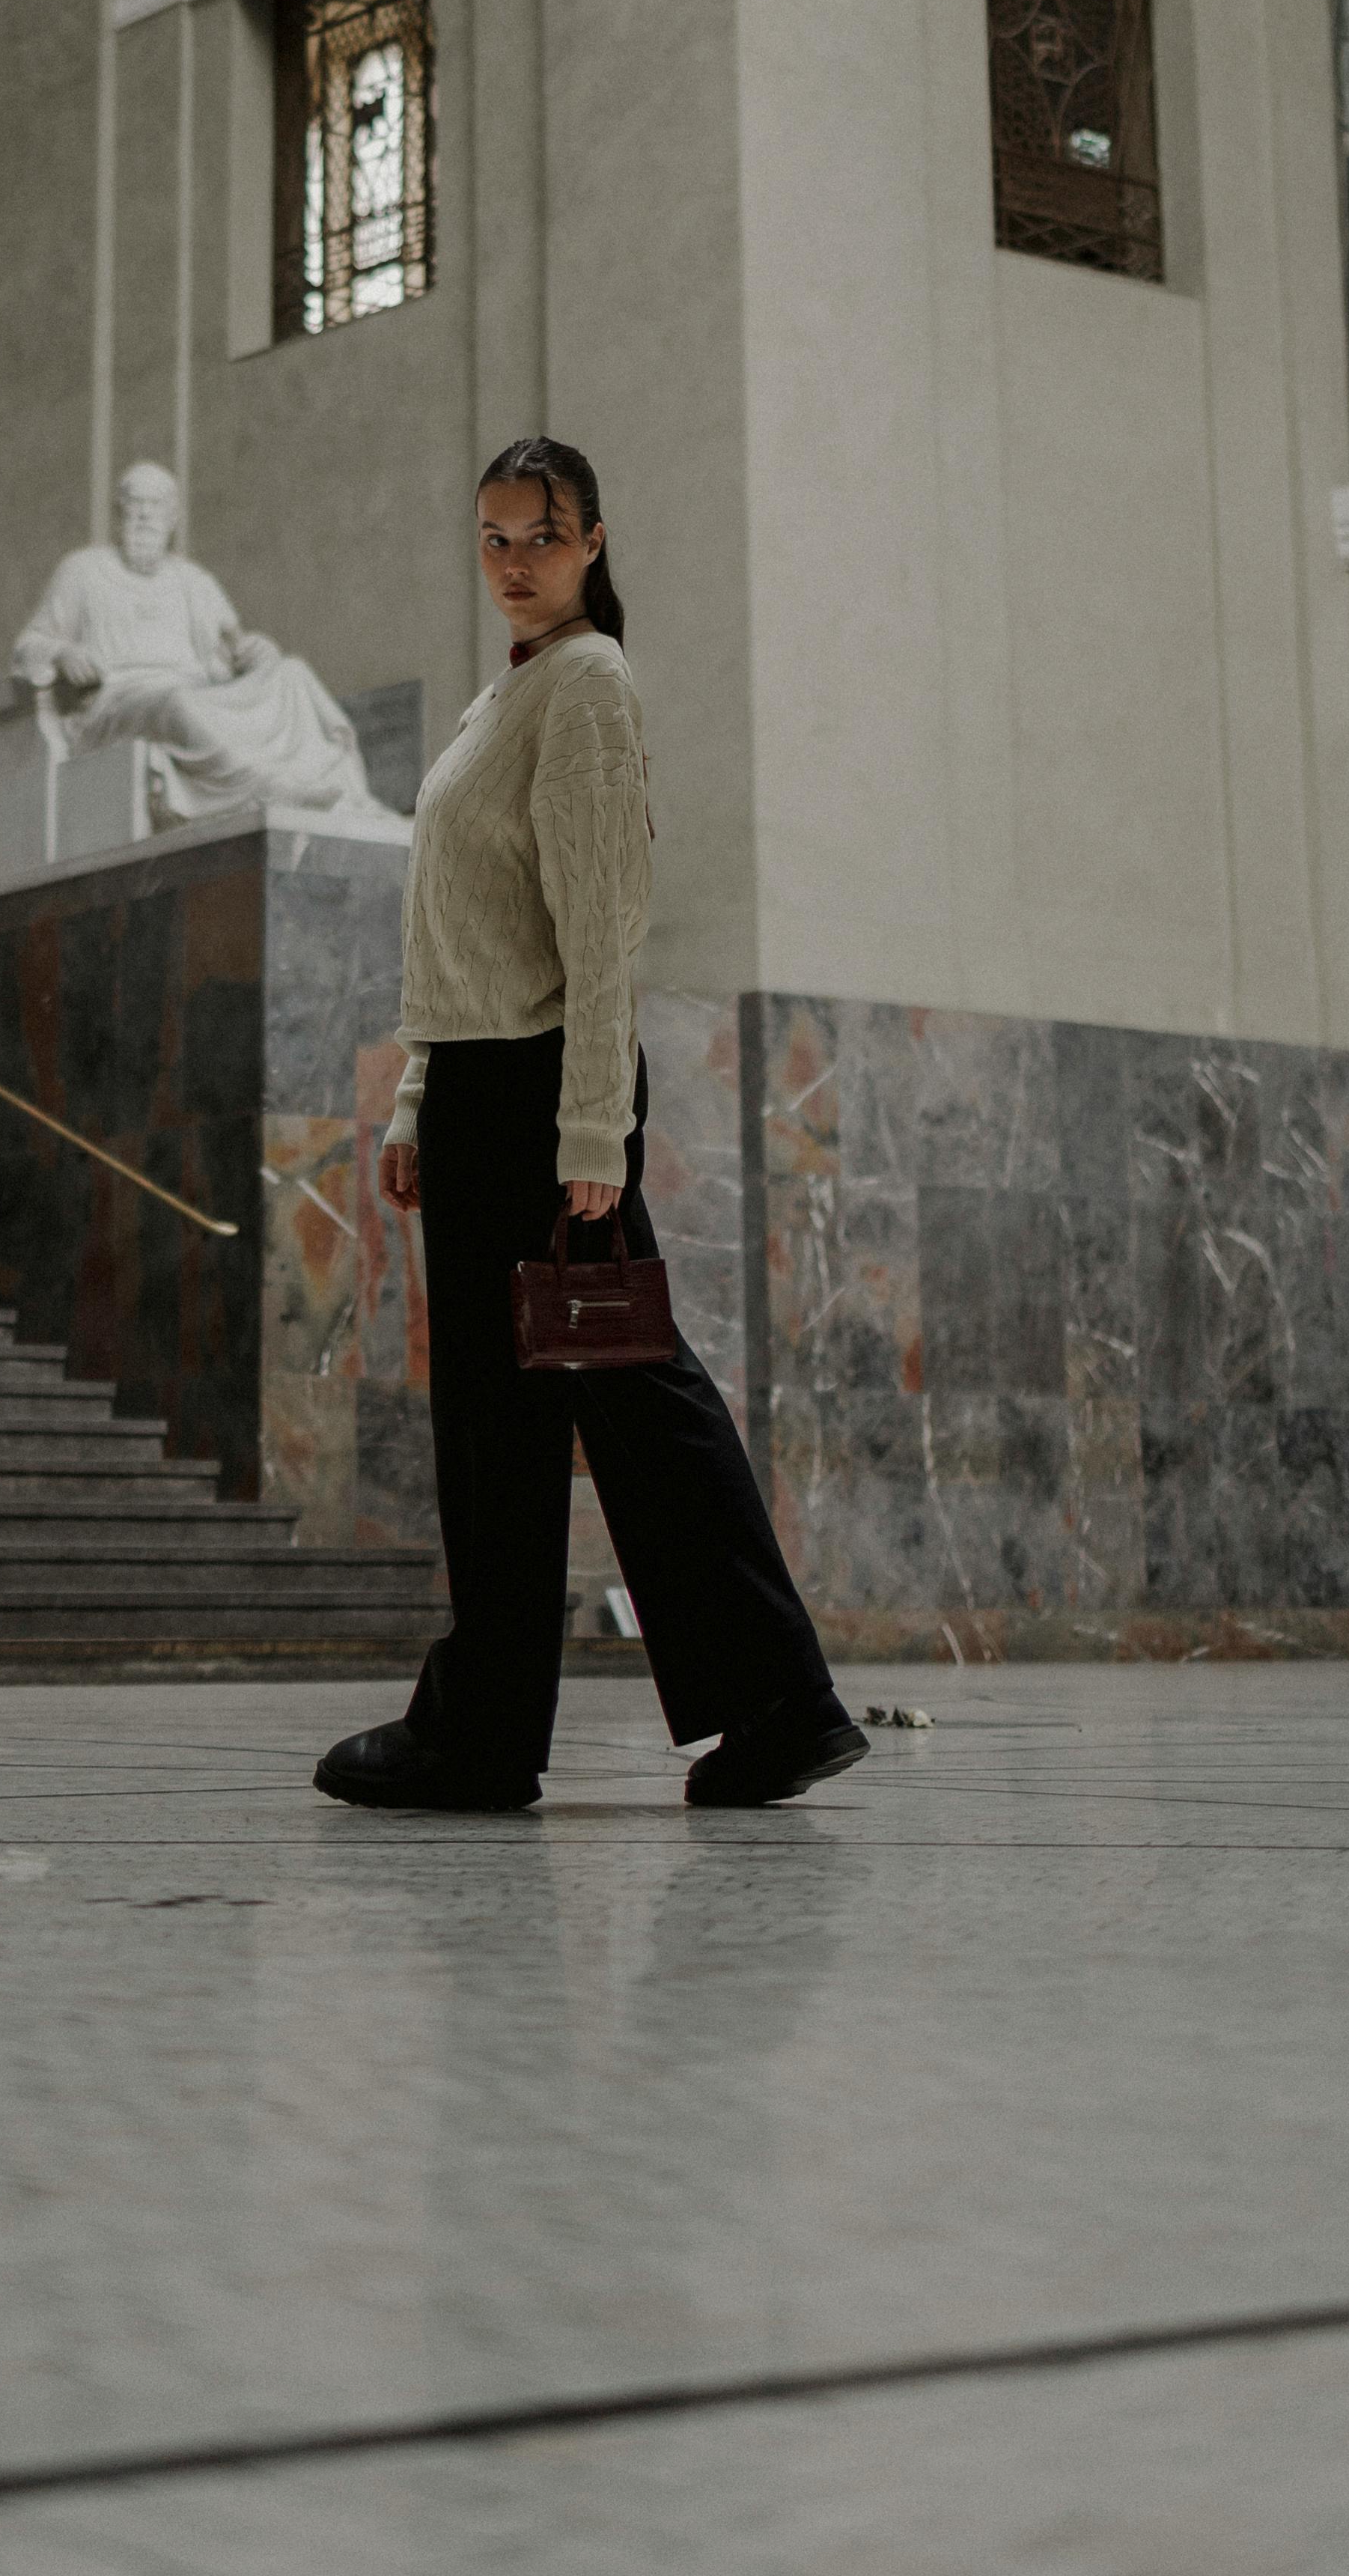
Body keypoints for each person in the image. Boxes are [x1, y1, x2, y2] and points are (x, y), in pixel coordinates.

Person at [314, 436, 866, 1815]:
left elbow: (602, 939)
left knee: (626, 1398)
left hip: (544, 1096)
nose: (513, 562)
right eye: (493, 537)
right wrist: (417, 1095)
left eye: (539, 537)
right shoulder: (507, 698)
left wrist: (586, 1142)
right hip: (485, 1087)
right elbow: (468, 933)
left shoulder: (586, 690)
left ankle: (720, 1706)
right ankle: (517, 1725)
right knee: (533, 1415)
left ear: (594, 542)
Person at [10, 461, 406, 837]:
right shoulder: (83, 571)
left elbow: (236, 644)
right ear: (119, 515)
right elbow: (29, 644)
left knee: (292, 673)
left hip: (199, 692)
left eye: (157, 506)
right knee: (178, 702)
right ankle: (260, 787)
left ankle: (344, 790)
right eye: (136, 505)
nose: (146, 516)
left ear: (173, 519)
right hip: (116, 704)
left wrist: (258, 650)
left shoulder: (192, 581)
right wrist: (62, 653)